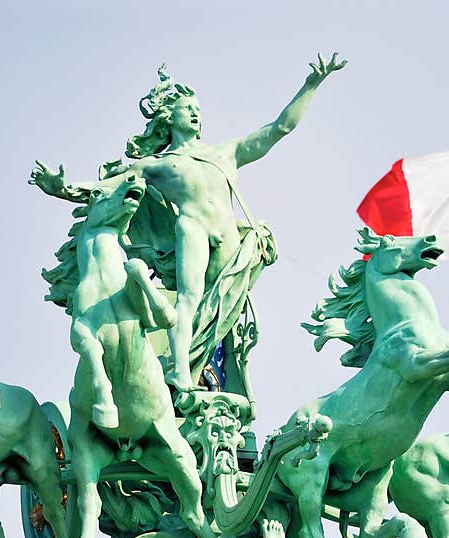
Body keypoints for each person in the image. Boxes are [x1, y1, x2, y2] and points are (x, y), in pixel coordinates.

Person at [31, 53, 346, 392]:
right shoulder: (157, 164)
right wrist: (61, 189)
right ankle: (180, 371)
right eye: (187, 108)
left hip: (229, 238)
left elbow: (279, 128)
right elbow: (107, 189)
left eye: (198, 109)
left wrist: (311, 85)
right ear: (169, 118)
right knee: (189, 300)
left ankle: (201, 369)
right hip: (192, 229)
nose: (196, 113)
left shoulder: (227, 152)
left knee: (222, 310)